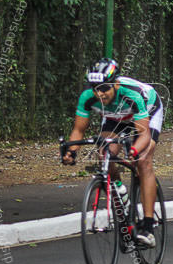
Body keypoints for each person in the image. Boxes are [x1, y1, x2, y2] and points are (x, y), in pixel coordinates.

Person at [62, 59, 163, 247]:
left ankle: (148, 227)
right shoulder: (87, 97)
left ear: (116, 84)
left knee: (143, 161)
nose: (100, 93)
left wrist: (133, 150)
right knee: (105, 155)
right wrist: (71, 151)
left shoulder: (132, 94)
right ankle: (120, 191)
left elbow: (144, 134)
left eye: (104, 88)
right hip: (114, 118)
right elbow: (79, 130)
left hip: (146, 111)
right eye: (95, 89)